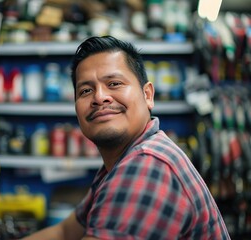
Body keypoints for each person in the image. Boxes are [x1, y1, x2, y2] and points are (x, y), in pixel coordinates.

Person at [23, 36, 230, 239]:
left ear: (148, 95)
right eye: (85, 90)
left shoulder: (147, 165)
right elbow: (65, 232)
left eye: (114, 83)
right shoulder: (118, 165)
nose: (99, 97)